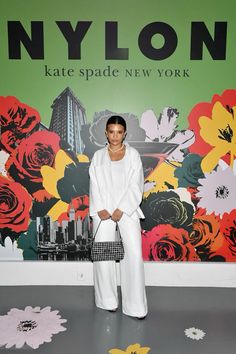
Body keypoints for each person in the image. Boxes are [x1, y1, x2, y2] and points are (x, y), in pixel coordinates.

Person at [89, 115, 148, 319]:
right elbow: (94, 183)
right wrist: (100, 208)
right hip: (103, 212)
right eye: (111, 131)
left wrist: (122, 208)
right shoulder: (97, 156)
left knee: (133, 255)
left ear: (125, 133)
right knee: (104, 256)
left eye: (119, 132)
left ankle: (135, 306)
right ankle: (107, 301)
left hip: (127, 211)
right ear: (106, 132)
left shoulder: (133, 155)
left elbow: (136, 184)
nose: (115, 136)